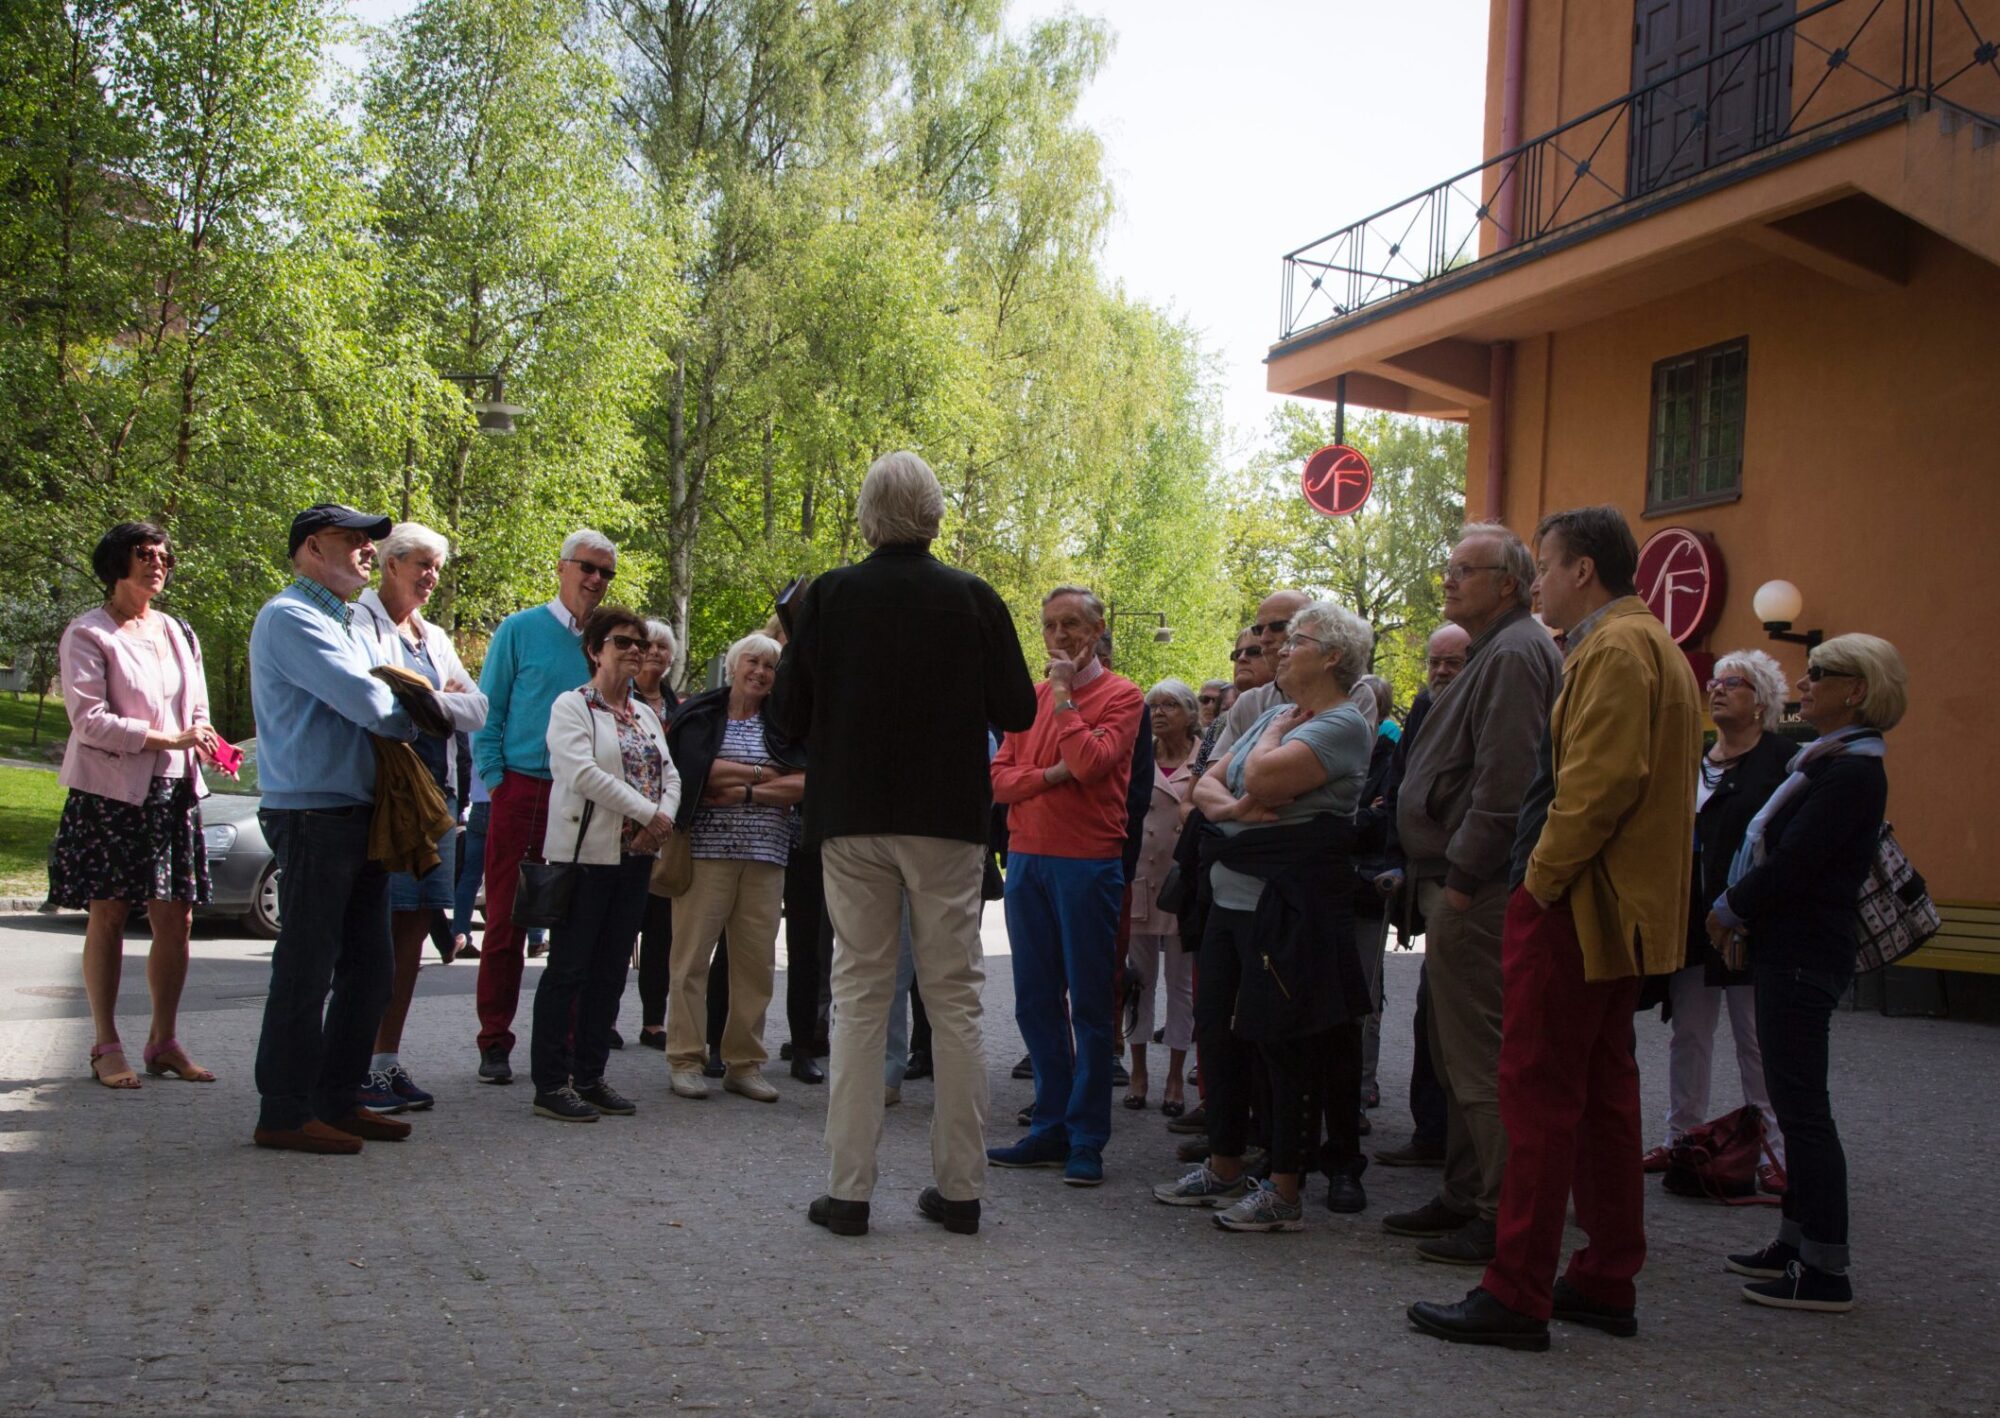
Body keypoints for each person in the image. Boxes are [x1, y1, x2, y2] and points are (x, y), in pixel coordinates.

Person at [1410, 504, 1700, 1350]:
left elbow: (1595, 790)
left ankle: (1517, 1291)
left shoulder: (1612, 647)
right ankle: (1605, 1278)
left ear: (1582, 570)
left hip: (1577, 907)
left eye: (1547, 565)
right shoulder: (1652, 645)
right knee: (1606, 1096)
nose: (1541, 582)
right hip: (1618, 914)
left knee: (1536, 1094)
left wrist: (1536, 887)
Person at [768, 450, 1036, 1236]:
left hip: (851, 815)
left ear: (865, 515)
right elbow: (1017, 710)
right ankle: (961, 1189)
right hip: (948, 820)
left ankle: (848, 1190)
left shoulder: (831, 596)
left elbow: (784, 719)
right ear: (936, 516)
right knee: (954, 997)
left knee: (857, 995)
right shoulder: (973, 598)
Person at [1152, 600, 1377, 1230]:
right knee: (1218, 1035)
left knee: (1283, 1043)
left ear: (1332, 655)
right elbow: (1206, 784)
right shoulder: (1280, 711)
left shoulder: (1342, 723)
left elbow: (1262, 776)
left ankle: (1283, 1188)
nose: (1278, 648)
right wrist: (1230, 809)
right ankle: (1224, 1166)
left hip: (1286, 908)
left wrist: (1258, 761)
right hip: (1228, 898)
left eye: (1294, 640)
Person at [1708, 634, 1904, 1313]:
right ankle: (1794, 1242)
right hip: (1788, 949)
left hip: (1802, 952)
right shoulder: (1827, 759)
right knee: (1795, 1105)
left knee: (1804, 1112)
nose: (1807, 681)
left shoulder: (1852, 771)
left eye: (1823, 674)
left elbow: (1795, 863)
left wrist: (1731, 907)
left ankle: (1825, 1269)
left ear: (1858, 689)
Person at [1387, 524, 1562, 1267]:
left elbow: (1507, 777)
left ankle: (1498, 1214)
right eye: (1449, 568)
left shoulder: (1518, 651)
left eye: (1466, 570)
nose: (1448, 580)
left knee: (1480, 1058)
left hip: (1477, 890)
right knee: (1452, 1051)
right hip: (1457, 883)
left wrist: (1461, 880)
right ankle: (1464, 1194)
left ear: (1510, 584)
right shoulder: (1497, 647)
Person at [247, 503, 424, 1155]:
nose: (366, 552)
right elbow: (374, 701)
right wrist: (412, 716)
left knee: (368, 968)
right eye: (352, 540)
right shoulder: (290, 616)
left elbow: (408, 689)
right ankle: (285, 1111)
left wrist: (410, 705)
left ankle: (337, 1099)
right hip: (314, 812)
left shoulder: (344, 620)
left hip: (354, 811)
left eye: (367, 542)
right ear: (312, 548)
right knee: (307, 965)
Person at [54, 522, 223, 1089]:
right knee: (107, 913)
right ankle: (105, 1043)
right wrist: (167, 738)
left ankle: (164, 1041)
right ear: (116, 564)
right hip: (111, 793)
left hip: (174, 791)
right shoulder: (89, 634)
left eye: (164, 556)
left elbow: (195, 710)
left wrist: (207, 743)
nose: (158, 564)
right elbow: (89, 721)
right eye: (145, 555)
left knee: (177, 919)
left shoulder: (179, 631)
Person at [987, 586, 1143, 1188]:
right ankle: (1049, 1125)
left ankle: (1086, 1138)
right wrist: (1049, 774)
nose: (1061, 636)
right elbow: (999, 783)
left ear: (1098, 628)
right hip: (1027, 859)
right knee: (1034, 999)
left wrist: (1061, 699)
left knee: (1090, 1004)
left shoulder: (1123, 695)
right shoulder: (1024, 701)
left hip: (1088, 862)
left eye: (1073, 624)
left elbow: (1092, 763)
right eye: (1051, 626)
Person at [1641, 649, 1793, 1191]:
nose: (1718, 689)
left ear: (1761, 702)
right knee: (1690, 1032)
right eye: (1715, 681)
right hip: (1692, 918)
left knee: (1756, 1039)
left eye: (1734, 683)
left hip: (1752, 919)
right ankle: (1684, 1137)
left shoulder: (1783, 761)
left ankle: (1776, 1153)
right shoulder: (1697, 757)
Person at [351, 523, 488, 1114]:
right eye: (422, 565)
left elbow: (476, 707)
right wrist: (439, 697)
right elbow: (374, 697)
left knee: (414, 933)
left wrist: (425, 694)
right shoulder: (359, 622)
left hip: (437, 799)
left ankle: (385, 1061)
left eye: (437, 568)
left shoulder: (430, 634)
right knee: (375, 934)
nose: (431, 577)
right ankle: (352, 1063)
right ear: (391, 563)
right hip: (388, 797)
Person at [471, 529, 615, 1083]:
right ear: (562, 568)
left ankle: (566, 1041)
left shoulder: (606, 642)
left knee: (578, 925)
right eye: (588, 567)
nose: (596, 580)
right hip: (524, 789)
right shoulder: (520, 630)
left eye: (606, 573)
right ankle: (494, 1040)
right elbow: (489, 711)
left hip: (587, 793)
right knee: (508, 920)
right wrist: (496, 781)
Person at [527, 608, 681, 1122]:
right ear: (595, 649)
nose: (635, 651)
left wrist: (660, 820)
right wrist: (648, 814)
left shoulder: (646, 713)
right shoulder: (572, 707)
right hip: (585, 858)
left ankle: (590, 1075)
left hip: (634, 858)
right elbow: (582, 773)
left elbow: (671, 775)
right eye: (623, 643)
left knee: (611, 971)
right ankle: (550, 1083)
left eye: (641, 644)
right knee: (569, 969)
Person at [662, 632, 805, 1102]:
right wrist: (770, 776)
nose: (760, 672)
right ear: (732, 664)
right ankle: (685, 1059)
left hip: (767, 856)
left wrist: (746, 787)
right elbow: (696, 773)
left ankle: (744, 1064)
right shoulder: (702, 715)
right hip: (705, 853)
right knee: (690, 962)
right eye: (752, 662)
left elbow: (806, 781)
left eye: (770, 667)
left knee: (755, 966)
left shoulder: (785, 725)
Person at [1368, 623, 1470, 1169]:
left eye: (1453, 662)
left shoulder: (1485, 702)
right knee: (1429, 1013)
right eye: (1435, 662)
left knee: (1454, 1017)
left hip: (1466, 884)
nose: (1441, 672)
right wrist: (1394, 862)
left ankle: (1461, 1155)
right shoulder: (1427, 706)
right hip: (1425, 877)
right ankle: (1431, 1134)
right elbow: (1401, 785)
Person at [1123, 678, 1199, 1115]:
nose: (1160, 712)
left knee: (1182, 987)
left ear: (1190, 713)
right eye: (1153, 705)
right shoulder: (1140, 757)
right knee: (1139, 982)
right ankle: (1137, 1073)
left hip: (1181, 883)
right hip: (1140, 880)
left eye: (1171, 704)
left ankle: (1175, 1077)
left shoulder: (1204, 759)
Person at [631, 618, 683, 1053]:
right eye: (648, 645)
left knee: (661, 933)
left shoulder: (678, 708)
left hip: (666, 833)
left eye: (664, 648)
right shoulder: (615, 699)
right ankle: (604, 1015)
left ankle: (653, 1021)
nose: (655, 654)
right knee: (618, 927)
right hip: (623, 828)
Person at [1210, 592, 1312, 756]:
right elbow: (1209, 778)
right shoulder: (1247, 702)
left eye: (1278, 627)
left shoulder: (1352, 694)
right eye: (1258, 629)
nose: (1264, 639)